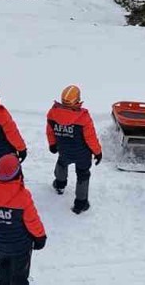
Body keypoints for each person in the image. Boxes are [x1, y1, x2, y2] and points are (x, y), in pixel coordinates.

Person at [0, 153, 46, 285]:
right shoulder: (22, 196)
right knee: (20, 274)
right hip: (21, 246)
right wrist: (40, 237)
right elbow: (32, 221)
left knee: (3, 264)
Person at [46, 84, 103, 214]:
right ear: (77, 100)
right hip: (82, 153)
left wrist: (52, 144)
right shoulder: (83, 117)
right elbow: (91, 138)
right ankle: (81, 203)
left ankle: (59, 185)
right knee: (83, 175)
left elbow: (50, 131)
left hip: (64, 150)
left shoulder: (53, 113)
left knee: (62, 163)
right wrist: (97, 152)